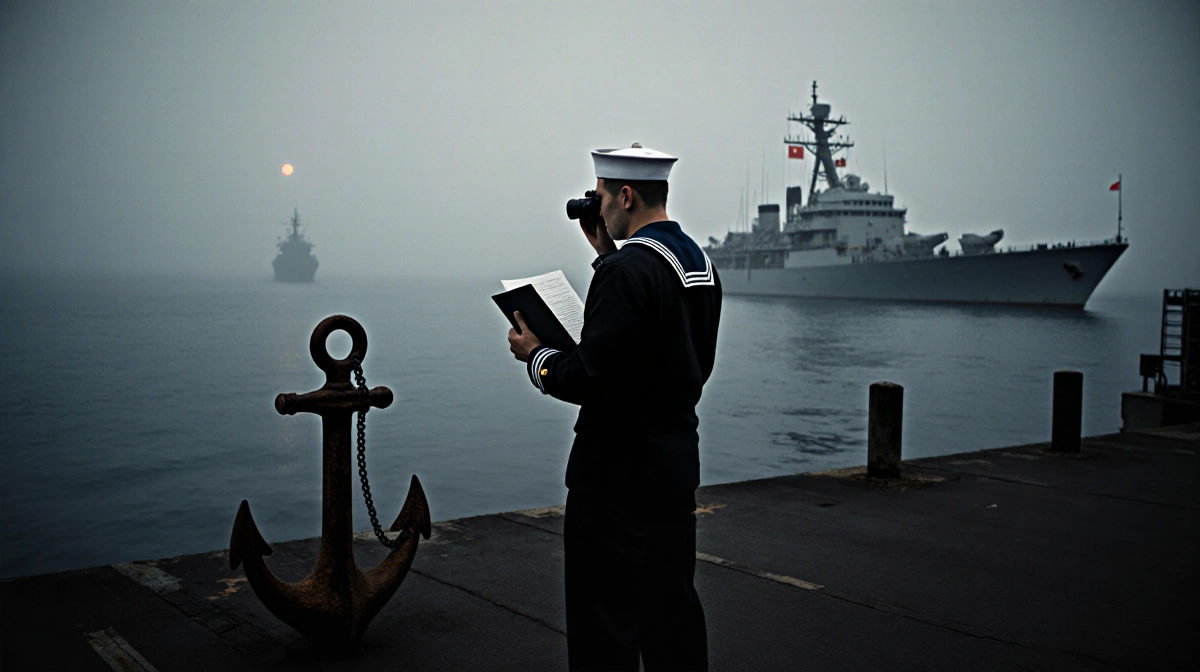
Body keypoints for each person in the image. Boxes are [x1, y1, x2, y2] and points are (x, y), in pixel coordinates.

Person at [506, 144, 722, 671]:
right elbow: (665, 351)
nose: (595, 205)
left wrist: (537, 355)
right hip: (671, 471)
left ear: (624, 195)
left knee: (605, 631)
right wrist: (606, 253)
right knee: (670, 618)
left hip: (614, 482)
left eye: (600, 196)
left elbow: (588, 378)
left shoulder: (626, 273)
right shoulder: (698, 262)